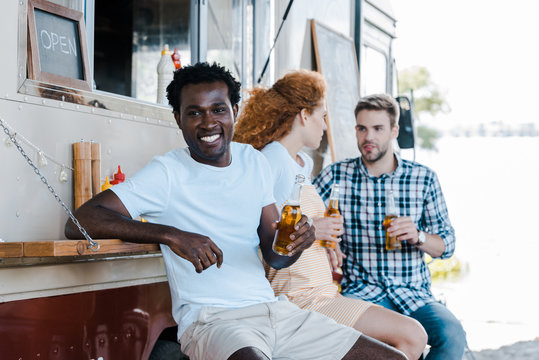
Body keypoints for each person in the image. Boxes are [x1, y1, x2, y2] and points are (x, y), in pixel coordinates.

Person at [65, 63, 407, 360]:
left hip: (275, 312)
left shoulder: (253, 161)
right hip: (213, 320)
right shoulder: (167, 172)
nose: (208, 122)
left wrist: (296, 243)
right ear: (178, 119)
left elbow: (275, 257)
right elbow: (81, 220)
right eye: (194, 112)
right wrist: (171, 235)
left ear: (235, 111)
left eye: (218, 109)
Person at [234, 70, 426, 360]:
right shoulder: (271, 158)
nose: (326, 125)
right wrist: (314, 227)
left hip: (323, 292)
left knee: (407, 340)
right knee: (412, 336)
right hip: (299, 296)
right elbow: (250, 226)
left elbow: (296, 223)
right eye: (322, 115)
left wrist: (326, 243)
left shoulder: (299, 164)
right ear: (303, 115)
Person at [313, 93, 467, 360]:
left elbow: (447, 245)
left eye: (377, 129)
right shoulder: (336, 175)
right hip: (362, 292)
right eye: (362, 128)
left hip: (414, 293)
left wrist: (418, 236)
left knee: (452, 334)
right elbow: (302, 217)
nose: (368, 137)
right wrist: (322, 231)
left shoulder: (423, 178)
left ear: (394, 130)